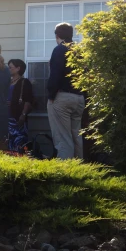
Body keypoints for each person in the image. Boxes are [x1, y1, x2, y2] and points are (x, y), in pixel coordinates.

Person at [46, 22, 85, 159]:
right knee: (76, 136)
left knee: (63, 138)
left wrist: (51, 95)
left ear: (57, 35)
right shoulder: (79, 50)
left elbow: (55, 74)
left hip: (61, 97)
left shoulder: (60, 49)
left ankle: (66, 173)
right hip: (79, 98)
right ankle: (80, 170)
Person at [6, 59, 34, 152]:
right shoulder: (7, 82)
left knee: (19, 142)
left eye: (10, 67)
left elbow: (28, 100)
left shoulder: (24, 82)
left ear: (18, 68)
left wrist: (23, 115)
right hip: (6, 117)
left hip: (17, 117)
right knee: (8, 142)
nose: (8, 69)